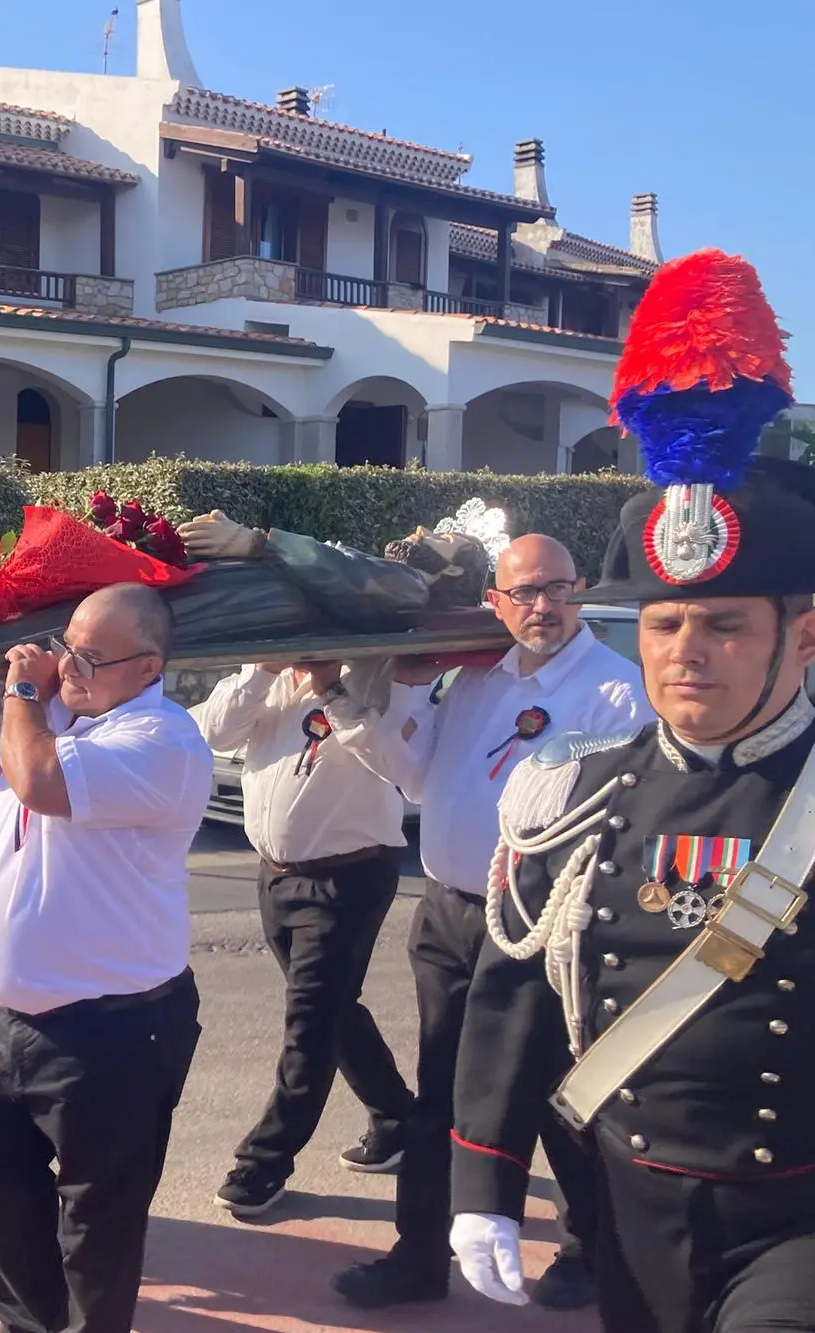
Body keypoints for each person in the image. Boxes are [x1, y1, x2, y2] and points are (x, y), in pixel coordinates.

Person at [450, 250, 815, 1332]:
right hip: (624, 1206)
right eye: (661, 625)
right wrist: (482, 1183)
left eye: (721, 625)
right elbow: (510, 999)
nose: (684, 653)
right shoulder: (571, 797)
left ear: (801, 637)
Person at [330, 531, 643, 1311]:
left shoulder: (615, 689)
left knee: (551, 1092)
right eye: (524, 592)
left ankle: (587, 1243)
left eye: (556, 587)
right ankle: (418, 1256)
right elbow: (414, 775)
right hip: (449, 913)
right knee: (442, 1090)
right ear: (495, 603)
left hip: (543, 921)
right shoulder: (478, 680)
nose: (542, 605)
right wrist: (404, 685)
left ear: (579, 589)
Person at [0, 583, 211, 1333]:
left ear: (148, 666)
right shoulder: (64, 719)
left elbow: (41, 781)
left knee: (97, 1226)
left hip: (110, 1033)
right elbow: (8, 794)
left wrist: (27, 688)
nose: (69, 667)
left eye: (90, 657)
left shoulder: (164, 740)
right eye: (66, 647)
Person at [192, 657, 415, 1219]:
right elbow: (214, 733)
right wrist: (264, 671)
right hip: (276, 876)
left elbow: (397, 764)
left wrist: (330, 686)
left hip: (348, 876)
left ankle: (265, 1159)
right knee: (333, 1013)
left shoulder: (373, 671)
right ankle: (399, 1120)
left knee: (310, 1025)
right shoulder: (260, 672)